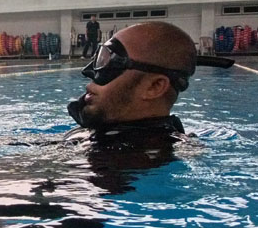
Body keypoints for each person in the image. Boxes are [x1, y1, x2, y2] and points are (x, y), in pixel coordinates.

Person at [65, 21, 200, 160]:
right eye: (100, 58)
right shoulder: (107, 131)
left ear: (154, 86)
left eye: (110, 63)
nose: (88, 72)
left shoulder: (128, 156)